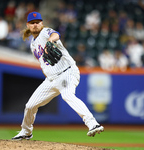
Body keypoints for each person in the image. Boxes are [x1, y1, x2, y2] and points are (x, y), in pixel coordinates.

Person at [12, 12, 104, 140]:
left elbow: (56, 34)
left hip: (67, 72)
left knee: (67, 95)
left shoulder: (45, 32)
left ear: (42, 23)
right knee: (30, 106)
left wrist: (50, 41)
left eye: (37, 22)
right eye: (32, 23)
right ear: (28, 25)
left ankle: (92, 123)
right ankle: (26, 131)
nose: (35, 25)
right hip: (51, 79)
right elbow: (43, 64)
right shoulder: (33, 45)